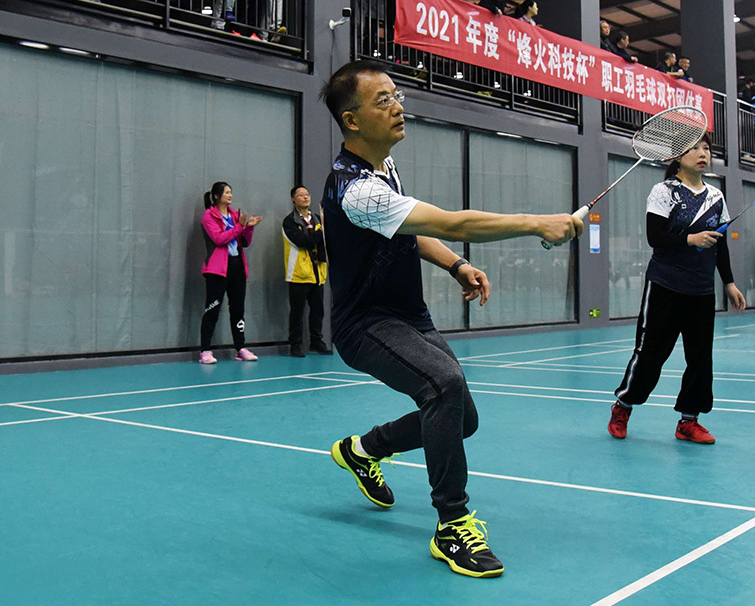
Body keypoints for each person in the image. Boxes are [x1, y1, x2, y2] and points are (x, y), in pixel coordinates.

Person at [320, 61, 581, 578]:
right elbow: (452, 221)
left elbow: (409, 229)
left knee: (463, 419)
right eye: (383, 100)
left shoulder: (383, 169)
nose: (398, 106)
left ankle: (362, 450)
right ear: (351, 120)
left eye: (397, 95)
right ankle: (452, 525)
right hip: (365, 323)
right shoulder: (355, 189)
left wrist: (456, 265)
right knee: (443, 385)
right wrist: (537, 223)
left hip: (407, 315)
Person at [607, 135, 746, 444]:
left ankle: (688, 421)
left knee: (700, 359)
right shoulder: (664, 191)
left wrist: (729, 282)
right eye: (695, 148)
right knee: (651, 354)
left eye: (706, 148)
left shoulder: (716, 196)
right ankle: (624, 405)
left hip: (701, 290)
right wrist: (690, 239)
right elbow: (654, 237)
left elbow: (720, 245)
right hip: (665, 285)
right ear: (678, 157)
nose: (702, 153)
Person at [199, 182, 262, 364]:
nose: (230, 196)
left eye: (230, 192)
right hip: (217, 270)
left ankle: (240, 348)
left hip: (237, 267)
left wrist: (249, 228)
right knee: (212, 310)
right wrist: (239, 227)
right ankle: (205, 351)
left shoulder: (235, 215)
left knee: (238, 310)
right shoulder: (209, 216)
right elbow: (219, 239)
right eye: (226, 192)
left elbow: (244, 242)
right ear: (216, 196)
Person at [282, 185, 331, 358]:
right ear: (293, 199)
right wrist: (321, 234)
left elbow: (326, 241)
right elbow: (302, 240)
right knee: (297, 312)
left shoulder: (317, 219)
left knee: (318, 310)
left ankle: (316, 341)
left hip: (317, 272)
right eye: (300, 195)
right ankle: (295, 344)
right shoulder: (290, 222)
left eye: (307, 194)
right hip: (298, 273)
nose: (305, 197)